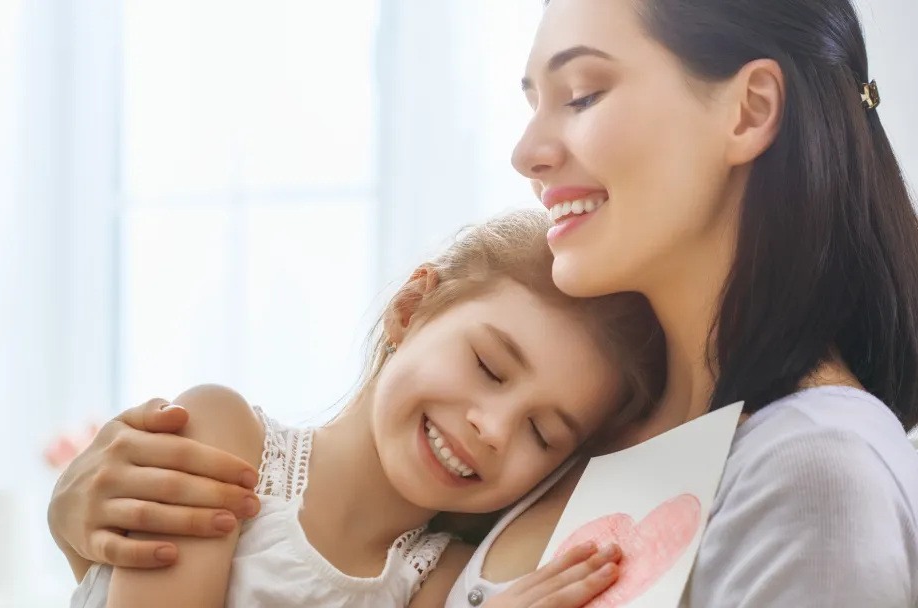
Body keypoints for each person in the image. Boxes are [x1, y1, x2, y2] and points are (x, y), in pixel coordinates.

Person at [51, 0, 918, 605]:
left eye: (583, 94)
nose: (527, 151)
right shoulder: (612, 426)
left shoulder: (815, 468)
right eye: (533, 101)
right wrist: (84, 534)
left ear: (748, 110)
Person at [67, 210, 667, 607]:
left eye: (541, 432)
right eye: (488, 366)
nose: (492, 428)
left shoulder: (444, 583)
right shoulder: (221, 436)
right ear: (410, 308)